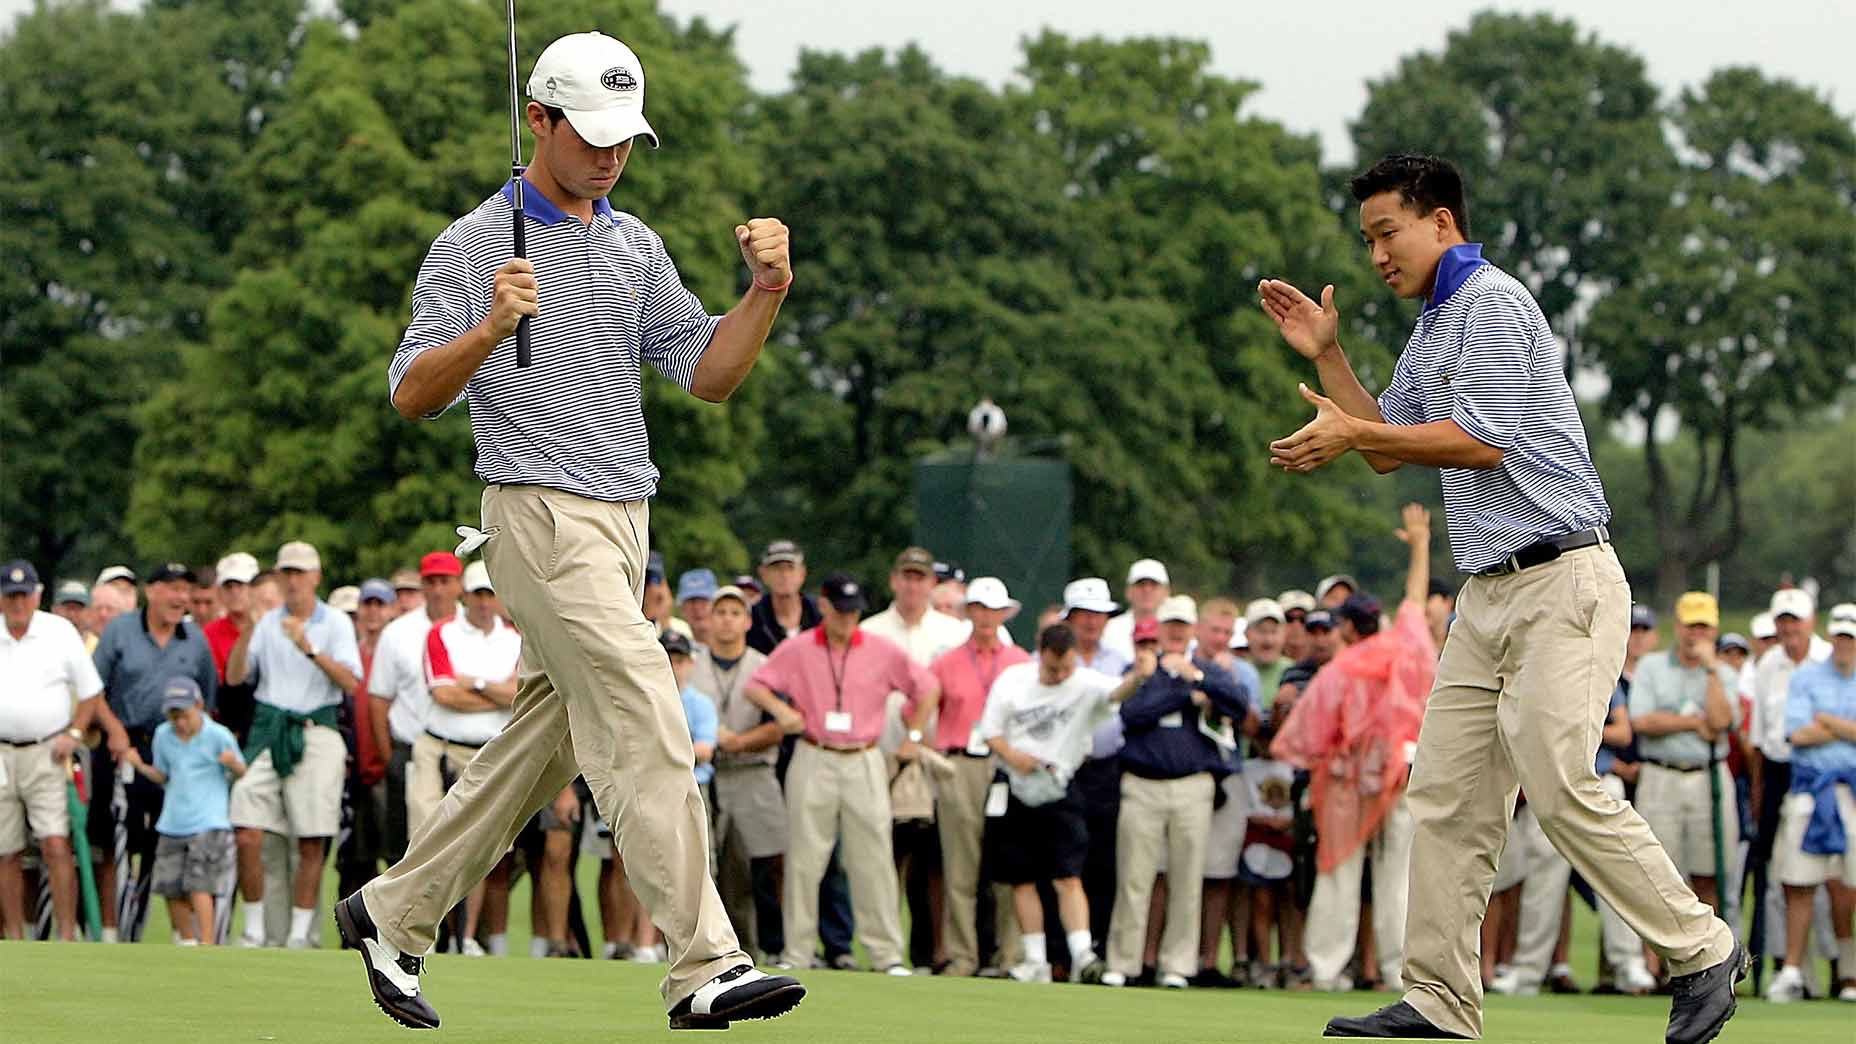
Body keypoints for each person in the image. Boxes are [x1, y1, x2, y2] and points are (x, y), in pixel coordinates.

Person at [343, 30, 803, 1032]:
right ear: (536, 121)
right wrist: (487, 329)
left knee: (543, 746)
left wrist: (762, 295)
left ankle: (391, 912)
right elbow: (409, 393)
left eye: (623, 138)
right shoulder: (473, 244)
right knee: (644, 709)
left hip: (624, 521)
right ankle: (703, 965)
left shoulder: (634, 244)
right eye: (586, 134)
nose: (607, 156)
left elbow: (710, 373)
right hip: (535, 517)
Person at [1258, 152, 1741, 1042]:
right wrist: (1330, 359)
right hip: (1487, 594)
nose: (1375, 256)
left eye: (1386, 233)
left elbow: (1476, 443)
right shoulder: (1434, 328)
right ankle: (1441, 1005)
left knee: (1558, 782)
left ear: (1441, 223)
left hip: (1565, 578)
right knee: (1444, 796)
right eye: (1366, 240)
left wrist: (1358, 425)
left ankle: (1702, 946)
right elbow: (1386, 445)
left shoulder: (1494, 303)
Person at [1272, 505, 1436, 994]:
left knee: (1338, 872)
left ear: (1346, 628)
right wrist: (1421, 545)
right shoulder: (1409, 646)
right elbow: (1415, 596)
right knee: (1397, 880)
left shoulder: (1343, 670)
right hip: (1402, 774)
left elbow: (1308, 736)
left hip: (1350, 781)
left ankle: (1326, 968)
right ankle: (1397, 971)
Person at [746, 572, 938, 975]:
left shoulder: (881, 649)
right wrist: (783, 713)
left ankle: (885, 954)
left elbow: (926, 687)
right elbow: (757, 684)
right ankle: (797, 952)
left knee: (874, 858)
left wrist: (914, 735)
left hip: (865, 756)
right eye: (842, 610)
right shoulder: (799, 648)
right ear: (826, 607)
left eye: (854, 611)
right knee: (804, 857)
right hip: (814, 753)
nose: (849, 619)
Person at [1101, 595, 1249, 989]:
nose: (1176, 632)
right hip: (1142, 783)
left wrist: (1197, 678)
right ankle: (1124, 962)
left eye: (1183, 626)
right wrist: (1182, 690)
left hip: (1191, 786)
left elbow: (1238, 704)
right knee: (1134, 877)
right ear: (1159, 627)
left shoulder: (1204, 669)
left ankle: (1177, 965)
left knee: (1187, 879)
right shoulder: (1142, 670)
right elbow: (1132, 715)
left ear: (1193, 630)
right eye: (1170, 625)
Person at [978, 622, 1136, 984]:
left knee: (1067, 875)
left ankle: (1083, 955)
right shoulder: (1014, 680)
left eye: (1066, 667)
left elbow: (1118, 694)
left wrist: (1141, 675)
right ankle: (1036, 960)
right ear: (1041, 654)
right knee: (1022, 879)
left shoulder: (1085, 682)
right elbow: (991, 731)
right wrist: (1015, 757)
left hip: (1060, 788)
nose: (1060, 675)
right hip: (1015, 787)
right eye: (1053, 668)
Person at [225, 541, 361, 949]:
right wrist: (250, 626)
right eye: (287, 573)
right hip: (271, 731)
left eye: (300, 573)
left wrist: (309, 648)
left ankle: (300, 935)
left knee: (311, 838)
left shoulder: (335, 622)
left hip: (316, 730)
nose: (293, 581)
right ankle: (254, 930)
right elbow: (235, 677)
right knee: (246, 827)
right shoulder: (267, 623)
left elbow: (351, 683)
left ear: (316, 578)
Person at [91, 560, 219, 943]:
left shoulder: (194, 640)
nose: (181, 597)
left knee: (163, 844)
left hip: (174, 751)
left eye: (185, 589)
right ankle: (111, 934)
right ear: (152, 591)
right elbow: (91, 690)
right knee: (115, 842)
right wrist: (113, 731)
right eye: (173, 588)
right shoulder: (120, 631)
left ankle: (167, 934)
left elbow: (206, 701)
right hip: (123, 745)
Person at [930, 577, 1033, 977]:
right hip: (961, 764)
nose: (986, 618)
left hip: (1007, 766)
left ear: (1004, 614)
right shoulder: (946, 660)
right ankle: (962, 956)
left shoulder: (1021, 662)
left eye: (994, 610)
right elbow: (920, 709)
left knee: (1010, 863)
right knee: (961, 866)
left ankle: (1012, 956)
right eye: (979, 608)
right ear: (969, 612)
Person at [0, 560, 104, 941]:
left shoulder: (58, 632)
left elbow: (91, 692)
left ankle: (66, 936)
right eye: (10, 596)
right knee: (5, 850)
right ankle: (13, 936)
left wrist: (75, 733)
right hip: (1, 754)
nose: (17, 603)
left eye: (24, 595)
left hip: (48, 750)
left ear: (37, 596)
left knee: (56, 844)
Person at [422, 560, 522, 956]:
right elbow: (443, 693)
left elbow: (518, 695)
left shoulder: (516, 638)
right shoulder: (441, 632)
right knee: (429, 840)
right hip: (441, 746)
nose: (484, 602)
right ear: (465, 595)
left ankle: (463, 936)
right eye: (478, 594)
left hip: (489, 751)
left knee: (479, 847)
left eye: (490, 594)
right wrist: (493, 693)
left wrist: (475, 682)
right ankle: (426, 933)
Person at [1764, 602, 1856, 1004]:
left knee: (1848, 889)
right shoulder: (1805, 677)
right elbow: (1796, 734)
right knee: (1798, 884)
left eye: (1850, 637)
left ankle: (1850, 974)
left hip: (1852, 791)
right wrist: (1845, 730)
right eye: (1839, 636)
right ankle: (1791, 973)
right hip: (1809, 789)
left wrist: (1828, 723)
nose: (1844, 644)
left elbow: (1815, 728)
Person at [1628, 592, 1740, 917]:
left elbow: (1721, 722)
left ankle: (1708, 956)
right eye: (1691, 626)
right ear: (1678, 627)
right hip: (1661, 775)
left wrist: (1710, 670)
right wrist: (1694, 722)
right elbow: (1643, 720)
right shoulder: (1652, 666)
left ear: (1714, 630)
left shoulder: (1724, 674)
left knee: (1709, 872)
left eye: (1704, 627)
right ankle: (1656, 966)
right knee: (1659, 875)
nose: (1697, 635)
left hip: (1709, 776)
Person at [694, 585, 785, 962]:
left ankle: (768, 947)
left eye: (735, 613)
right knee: (710, 868)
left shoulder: (764, 665)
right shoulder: (693, 664)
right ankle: (718, 949)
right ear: (709, 620)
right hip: (703, 772)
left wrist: (741, 742)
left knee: (760, 865)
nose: (727, 620)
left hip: (751, 768)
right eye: (720, 613)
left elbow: (781, 722)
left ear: (747, 621)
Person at [1749, 587, 1833, 984]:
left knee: (1823, 874)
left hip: (1820, 773)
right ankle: (1783, 964)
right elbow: (1760, 738)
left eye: (1794, 620)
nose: (1787, 628)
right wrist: (1758, 790)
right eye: (1782, 621)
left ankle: (1830, 969)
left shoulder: (1830, 659)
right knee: (1777, 872)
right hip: (1777, 771)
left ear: (1810, 621)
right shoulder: (1768, 665)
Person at [122, 677, 246, 945]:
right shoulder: (163, 735)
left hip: (209, 821)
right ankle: (186, 942)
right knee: (171, 887)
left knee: (199, 886)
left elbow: (242, 772)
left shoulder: (218, 735)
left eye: (184, 715)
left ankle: (208, 943)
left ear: (199, 705)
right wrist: (139, 766)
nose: (179, 722)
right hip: (172, 821)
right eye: (173, 716)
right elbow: (163, 775)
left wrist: (232, 763)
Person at [370, 552, 465, 864]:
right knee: (405, 853)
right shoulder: (398, 632)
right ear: (422, 586)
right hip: (409, 748)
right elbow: (379, 699)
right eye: (430, 582)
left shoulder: (473, 625)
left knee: (466, 852)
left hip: (464, 749)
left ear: (458, 585)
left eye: (444, 582)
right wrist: (390, 759)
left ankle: (470, 917)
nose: (437, 589)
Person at [336, 578, 395, 905]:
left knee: (397, 855)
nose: (372, 612)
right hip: (354, 770)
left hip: (388, 765)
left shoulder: (398, 649)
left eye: (379, 605)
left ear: (390, 610)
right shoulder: (349, 654)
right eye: (367, 605)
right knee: (355, 861)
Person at [748, 540, 820, 656]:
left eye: (790, 568)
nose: (784, 575)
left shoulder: (820, 615)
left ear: (802, 573)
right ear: (763, 574)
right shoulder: (752, 620)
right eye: (777, 568)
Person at [1101, 559, 1169, 664]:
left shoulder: (1176, 631)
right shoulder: (1108, 630)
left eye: (1154, 585)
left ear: (1166, 592)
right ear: (1128, 591)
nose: (1147, 590)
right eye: (1140, 585)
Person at [676, 569, 720, 648]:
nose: (697, 608)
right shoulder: (672, 649)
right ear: (682, 609)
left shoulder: (740, 647)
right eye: (691, 601)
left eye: (704, 601)